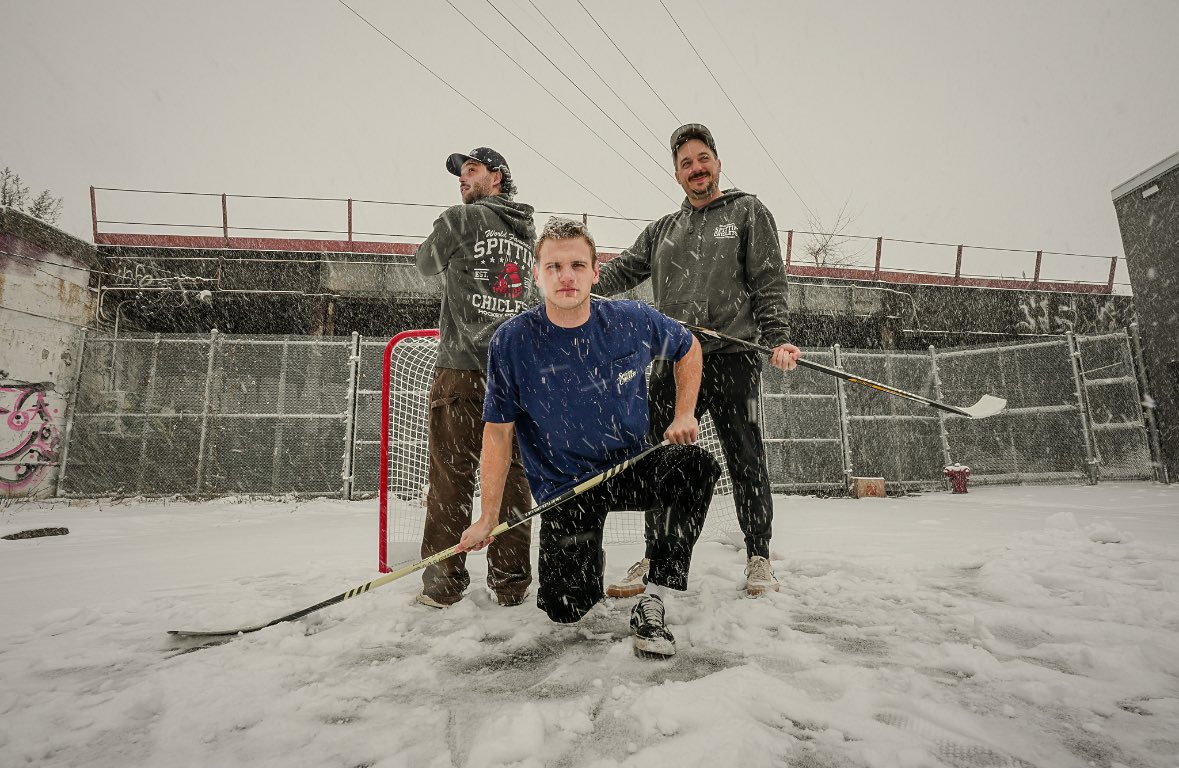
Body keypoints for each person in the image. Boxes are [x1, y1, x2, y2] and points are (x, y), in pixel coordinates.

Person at [456, 217, 720, 657]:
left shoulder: (631, 320)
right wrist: (487, 516)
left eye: (578, 264)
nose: (566, 276)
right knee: (566, 611)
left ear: (596, 272)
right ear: (537, 275)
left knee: (696, 467)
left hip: (630, 467)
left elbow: (688, 346)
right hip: (567, 488)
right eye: (554, 266)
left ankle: (656, 595)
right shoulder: (512, 342)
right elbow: (498, 434)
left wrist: (685, 411)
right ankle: (584, 564)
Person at [595, 123, 801, 598]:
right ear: (677, 174)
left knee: (744, 458)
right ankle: (654, 555)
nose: (696, 168)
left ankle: (759, 556)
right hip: (672, 361)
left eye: (702, 158)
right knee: (659, 459)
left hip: (732, 360)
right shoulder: (664, 231)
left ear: (717, 162)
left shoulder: (748, 212)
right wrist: (577, 290)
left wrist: (779, 339)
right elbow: (622, 271)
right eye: (686, 163)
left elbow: (769, 281)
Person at [413, 147, 536, 609]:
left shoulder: (460, 220)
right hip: (514, 375)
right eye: (460, 173)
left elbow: (425, 264)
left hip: (463, 371)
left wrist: (441, 237)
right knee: (512, 478)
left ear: (497, 177)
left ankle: (442, 586)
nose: (462, 179)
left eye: (471, 171)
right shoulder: (528, 232)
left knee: (451, 477)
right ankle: (511, 585)